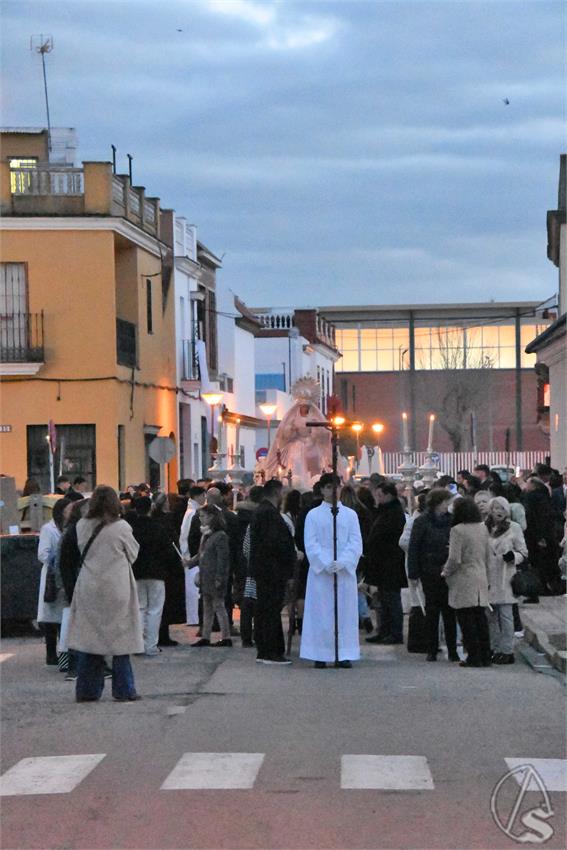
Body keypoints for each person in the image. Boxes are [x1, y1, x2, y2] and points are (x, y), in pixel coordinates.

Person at [67, 485, 143, 702]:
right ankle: (124, 689)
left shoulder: (81, 525)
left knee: (91, 640)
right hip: (116, 586)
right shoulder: (122, 527)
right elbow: (133, 553)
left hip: (89, 585)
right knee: (121, 640)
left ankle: (87, 691)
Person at [300, 473, 363, 669]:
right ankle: (320, 652)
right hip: (322, 573)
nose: (332, 491)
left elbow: (355, 541)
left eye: (335, 487)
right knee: (321, 613)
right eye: (328, 487)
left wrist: (343, 562)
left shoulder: (350, 515)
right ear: (322, 490)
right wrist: (325, 563)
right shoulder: (313, 515)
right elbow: (311, 543)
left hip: (344, 571)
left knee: (344, 614)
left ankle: (344, 653)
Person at [249, 479, 297, 664]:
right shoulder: (269, 514)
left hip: (264, 569)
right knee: (270, 610)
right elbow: (275, 543)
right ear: (277, 493)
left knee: (265, 610)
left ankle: (265, 650)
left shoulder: (262, 511)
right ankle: (271, 651)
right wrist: (291, 555)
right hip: (271, 570)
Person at [407, 488, 458, 662]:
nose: (448, 506)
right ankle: (432, 648)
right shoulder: (422, 522)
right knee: (432, 611)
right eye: (445, 502)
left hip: (448, 570)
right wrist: (413, 572)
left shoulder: (451, 521)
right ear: (437, 503)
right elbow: (414, 546)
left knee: (450, 611)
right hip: (429, 570)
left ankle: (452, 649)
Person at [441, 497, 492, 668]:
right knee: (480, 618)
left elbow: (455, 558)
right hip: (480, 574)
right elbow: (487, 554)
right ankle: (485, 655)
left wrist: (445, 572)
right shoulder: (482, 528)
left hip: (463, 577)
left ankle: (473, 656)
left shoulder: (457, 530)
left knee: (466, 619)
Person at [485, 496, 528, 664]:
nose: (499, 512)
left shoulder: (514, 528)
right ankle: (493, 648)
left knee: (506, 615)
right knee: (490, 616)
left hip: (506, 576)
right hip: (488, 576)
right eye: (495, 508)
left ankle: (507, 650)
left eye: (502, 508)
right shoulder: (484, 528)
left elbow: (523, 552)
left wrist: (513, 557)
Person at [365, 482, 407, 646]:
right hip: (382, 563)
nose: (378, 498)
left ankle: (394, 632)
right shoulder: (384, 512)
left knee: (391, 600)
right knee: (383, 599)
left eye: (380, 495)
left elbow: (386, 536)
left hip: (390, 563)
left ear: (389, 495)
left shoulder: (394, 513)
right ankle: (384, 630)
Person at [127, 496, 170, 656]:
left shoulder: (131, 528)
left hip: (136, 572)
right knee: (155, 610)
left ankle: (138, 644)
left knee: (139, 609)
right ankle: (151, 645)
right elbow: (167, 550)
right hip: (156, 572)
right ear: (150, 508)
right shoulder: (158, 527)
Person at [187, 506, 232, 647]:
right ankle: (206, 636)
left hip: (214, 577)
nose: (200, 519)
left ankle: (226, 637)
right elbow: (201, 554)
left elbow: (222, 559)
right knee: (207, 606)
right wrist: (190, 562)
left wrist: (220, 577)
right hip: (206, 577)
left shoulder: (220, 536)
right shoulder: (206, 535)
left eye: (203, 516)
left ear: (212, 517)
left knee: (219, 606)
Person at [37, 497, 70, 666]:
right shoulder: (48, 529)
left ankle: (63, 651)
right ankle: (51, 653)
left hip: (63, 576)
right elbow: (42, 554)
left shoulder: (69, 528)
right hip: (52, 576)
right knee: (50, 616)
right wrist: (58, 558)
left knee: (62, 616)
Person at [151, 492, 186, 647]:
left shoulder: (154, 520)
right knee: (163, 603)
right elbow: (172, 541)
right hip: (168, 568)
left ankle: (155, 635)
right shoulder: (167, 520)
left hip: (156, 565)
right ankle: (162, 634)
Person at [235, 486, 264, 647]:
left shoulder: (238, 515)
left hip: (241, 562)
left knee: (245, 600)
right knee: (257, 600)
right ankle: (257, 633)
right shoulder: (259, 517)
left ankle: (246, 635)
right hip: (254, 562)